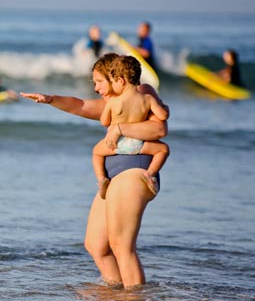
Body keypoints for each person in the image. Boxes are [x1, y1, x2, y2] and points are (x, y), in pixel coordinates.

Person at [20, 52, 169, 288]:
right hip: (112, 178)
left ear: (116, 77)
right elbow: (79, 105)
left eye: (99, 81)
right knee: (96, 245)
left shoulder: (142, 92)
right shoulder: (112, 104)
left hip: (134, 172)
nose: (96, 87)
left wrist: (119, 128)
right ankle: (117, 295)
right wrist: (49, 99)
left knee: (122, 245)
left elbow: (159, 130)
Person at [93, 55, 169, 199]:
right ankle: (150, 174)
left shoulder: (113, 101)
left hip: (116, 144)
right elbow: (163, 116)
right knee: (163, 150)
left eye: (113, 80)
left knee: (97, 152)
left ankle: (102, 179)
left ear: (120, 81)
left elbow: (104, 122)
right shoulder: (148, 99)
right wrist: (165, 107)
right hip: (139, 144)